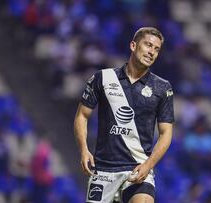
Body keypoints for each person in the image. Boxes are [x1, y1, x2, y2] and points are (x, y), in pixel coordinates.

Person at [73, 27, 174, 203]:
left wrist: (148, 165)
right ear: (133, 45)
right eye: (148, 45)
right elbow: (82, 115)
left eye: (156, 49)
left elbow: (166, 133)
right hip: (103, 170)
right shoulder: (103, 78)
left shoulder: (162, 88)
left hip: (137, 168)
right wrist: (83, 150)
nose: (152, 52)